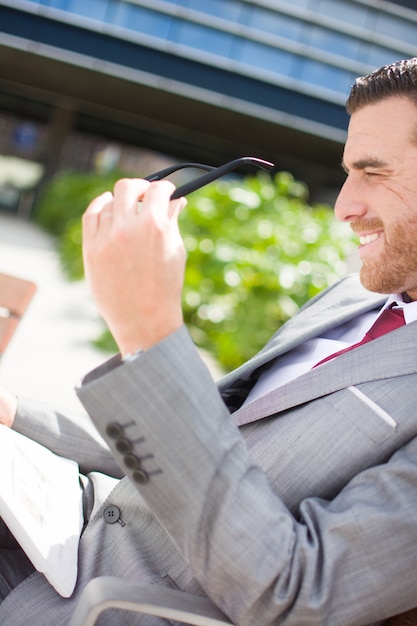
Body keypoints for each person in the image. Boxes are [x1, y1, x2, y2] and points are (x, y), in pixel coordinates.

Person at [1, 58, 417, 626]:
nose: (345, 206)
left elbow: (298, 593)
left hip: (108, 606)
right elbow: (194, 447)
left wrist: (150, 332)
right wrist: (18, 415)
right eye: (347, 173)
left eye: (374, 172)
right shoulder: (351, 299)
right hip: (70, 526)